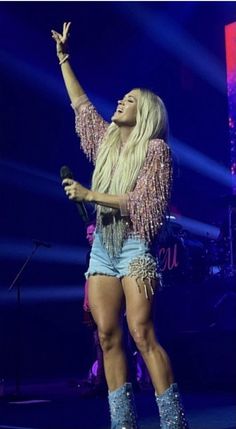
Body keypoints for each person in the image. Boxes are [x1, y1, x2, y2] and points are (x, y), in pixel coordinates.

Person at [52, 22, 190, 429]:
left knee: (142, 332)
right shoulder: (107, 144)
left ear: (144, 112)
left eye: (129, 101)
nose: (119, 102)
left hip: (133, 248)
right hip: (102, 251)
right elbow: (81, 106)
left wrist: (90, 195)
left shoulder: (156, 151)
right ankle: (123, 424)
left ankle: (173, 423)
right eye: (122, 98)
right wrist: (64, 59)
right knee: (108, 337)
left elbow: (144, 203)